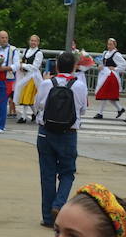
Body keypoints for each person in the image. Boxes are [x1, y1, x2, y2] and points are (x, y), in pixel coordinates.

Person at [33, 52, 88, 227]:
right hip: (68, 133)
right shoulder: (79, 85)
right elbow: (82, 110)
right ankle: (59, 204)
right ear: (74, 67)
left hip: (46, 132)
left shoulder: (47, 83)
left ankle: (48, 218)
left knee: (47, 174)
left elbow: (37, 105)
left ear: (56, 66)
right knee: (67, 173)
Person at [93, 38, 126, 120]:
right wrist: (100, 66)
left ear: (115, 45)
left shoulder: (116, 54)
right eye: (108, 44)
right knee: (109, 95)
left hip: (111, 76)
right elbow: (102, 63)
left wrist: (115, 69)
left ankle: (100, 113)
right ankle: (120, 109)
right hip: (104, 75)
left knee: (105, 94)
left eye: (111, 44)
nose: (109, 46)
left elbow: (124, 65)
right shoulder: (105, 53)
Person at [14, 35, 44, 123]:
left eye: (35, 41)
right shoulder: (26, 51)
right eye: (32, 40)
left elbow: (35, 67)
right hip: (25, 75)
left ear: (38, 42)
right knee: (26, 96)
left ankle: (24, 116)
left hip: (33, 76)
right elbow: (22, 60)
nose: (33, 42)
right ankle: (36, 113)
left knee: (27, 95)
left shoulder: (39, 53)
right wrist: (21, 66)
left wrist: (23, 65)